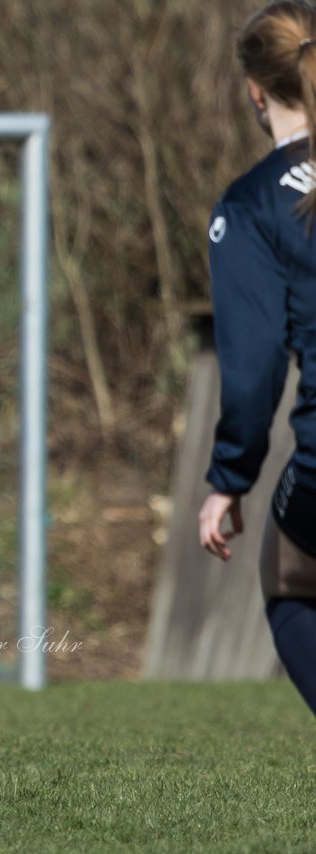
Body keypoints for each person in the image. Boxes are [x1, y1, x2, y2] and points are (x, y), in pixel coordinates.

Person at [199, 1, 316, 722]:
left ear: (255, 91)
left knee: (289, 576)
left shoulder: (251, 205)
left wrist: (228, 479)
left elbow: (251, 370)